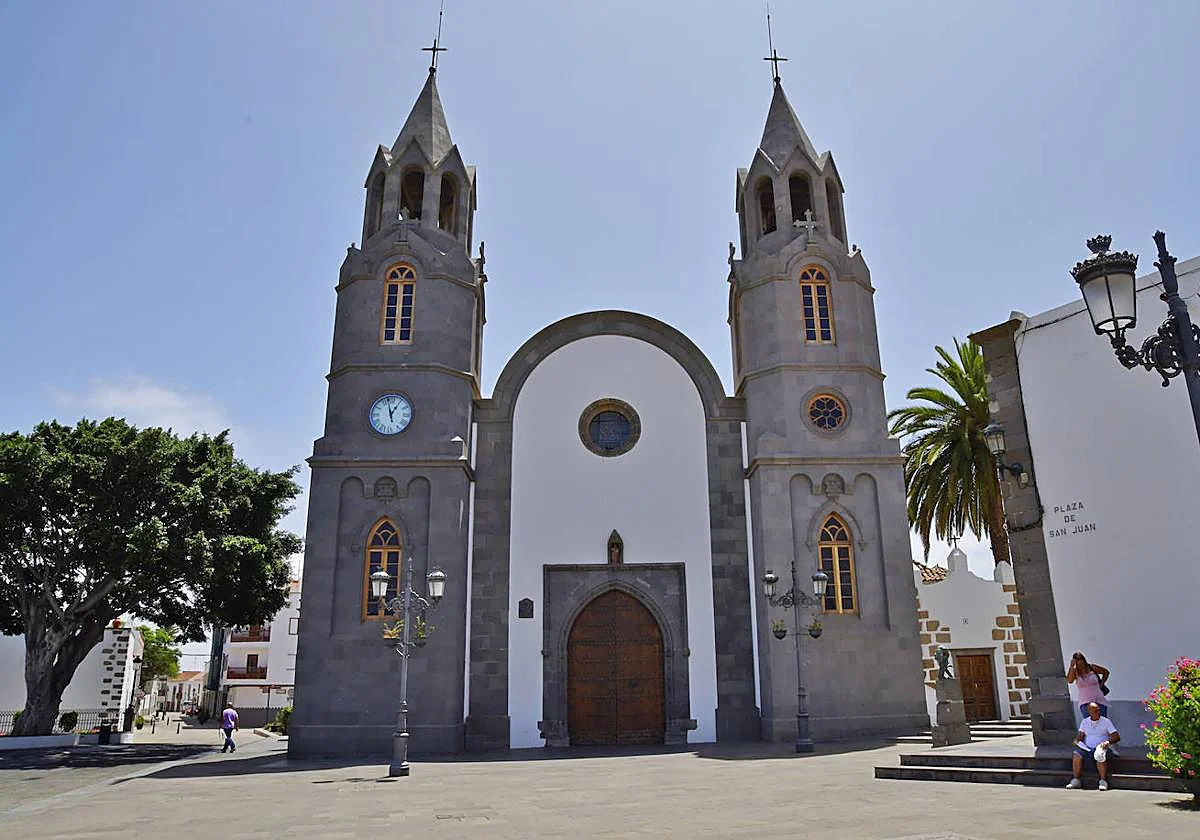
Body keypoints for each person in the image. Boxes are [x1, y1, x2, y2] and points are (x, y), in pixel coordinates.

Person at [1067, 701, 1120, 790]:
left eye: (1098, 710)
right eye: (1095, 711)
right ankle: (1076, 780)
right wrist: (1077, 741)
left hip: (1102, 748)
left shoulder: (1106, 721)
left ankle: (1103, 781)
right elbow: (1080, 736)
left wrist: (1107, 742)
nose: (1098, 712)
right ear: (1089, 712)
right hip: (1087, 749)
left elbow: (1116, 737)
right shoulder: (1085, 722)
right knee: (1076, 754)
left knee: (1099, 754)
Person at [1066, 651, 1110, 717]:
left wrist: (1101, 684)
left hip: (1099, 700)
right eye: (1077, 660)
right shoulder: (1075, 672)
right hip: (1085, 702)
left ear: (1084, 659)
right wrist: (1072, 667)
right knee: (1089, 723)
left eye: (1081, 659)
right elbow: (1069, 680)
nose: (1079, 661)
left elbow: (1106, 672)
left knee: (1102, 721)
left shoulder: (1092, 667)